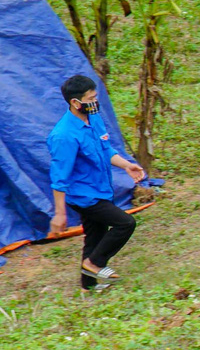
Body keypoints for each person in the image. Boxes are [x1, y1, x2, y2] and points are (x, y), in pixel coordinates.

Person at [47, 73, 144, 293]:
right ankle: (95, 263)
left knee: (96, 234)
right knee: (124, 223)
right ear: (75, 102)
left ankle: (88, 287)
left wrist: (126, 165)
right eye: (91, 98)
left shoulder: (93, 118)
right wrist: (60, 214)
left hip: (99, 188)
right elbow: (59, 177)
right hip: (83, 195)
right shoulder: (64, 136)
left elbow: (105, 150)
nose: (95, 101)